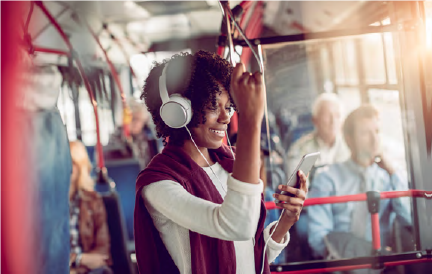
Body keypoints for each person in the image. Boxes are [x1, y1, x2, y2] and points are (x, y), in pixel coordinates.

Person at [134, 50, 308, 274]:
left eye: (229, 107)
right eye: (213, 106)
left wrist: (286, 220)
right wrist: (250, 120)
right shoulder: (159, 184)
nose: (226, 118)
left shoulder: (232, 162)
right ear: (180, 111)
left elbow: (250, 256)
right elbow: (235, 225)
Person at [307, 105, 411, 261]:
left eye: (377, 131)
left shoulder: (390, 177)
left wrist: (393, 173)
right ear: (349, 139)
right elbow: (318, 237)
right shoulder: (327, 178)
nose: (374, 139)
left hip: (383, 264)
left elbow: (408, 219)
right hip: (342, 263)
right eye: (365, 133)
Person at [69, 141, 113, 274]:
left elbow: (102, 252)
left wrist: (77, 269)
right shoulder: (46, 205)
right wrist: (78, 259)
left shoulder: (93, 201)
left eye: (71, 164)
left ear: (79, 167)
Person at [286, 92, 350, 183]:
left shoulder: (351, 147)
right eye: (327, 115)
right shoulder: (299, 149)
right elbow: (296, 188)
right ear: (315, 120)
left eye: (337, 115)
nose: (333, 121)